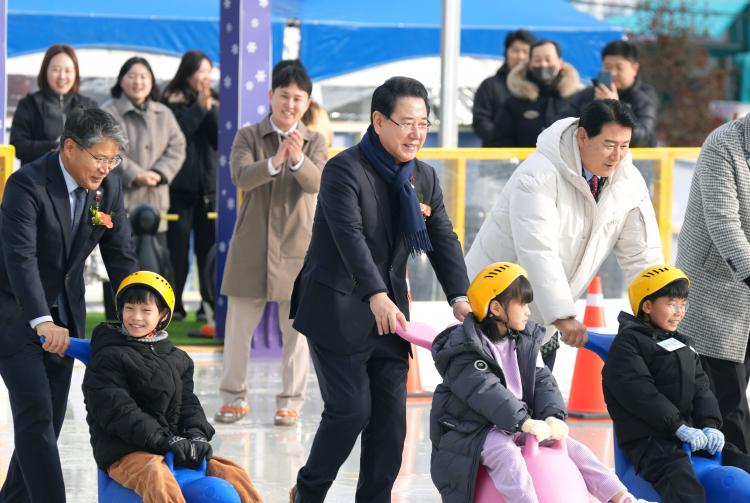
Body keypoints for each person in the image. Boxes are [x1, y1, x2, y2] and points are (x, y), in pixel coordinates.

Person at [289, 76, 471, 503]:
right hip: (337, 306)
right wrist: (375, 294)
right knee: (350, 412)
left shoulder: (423, 177)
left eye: (423, 124)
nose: (416, 133)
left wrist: (460, 297)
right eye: (407, 122)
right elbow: (348, 237)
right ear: (378, 121)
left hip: (391, 316)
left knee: (391, 424)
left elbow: (443, 237)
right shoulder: (344, 169)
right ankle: (307, 493)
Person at [0, 108, 138, 502]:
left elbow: (121, 256)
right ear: (70, 147)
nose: (106, 168)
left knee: (49, 423)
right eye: (100, 158)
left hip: (67, 315)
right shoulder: (26, 184)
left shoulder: (108, 189)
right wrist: (41, 320)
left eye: (114, 159)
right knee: (36, 417)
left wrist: (141, 310)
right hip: (16, 312)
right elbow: (21, 260)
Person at [465, 99, 663, 369]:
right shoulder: (538, 175)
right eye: (609, 145)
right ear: (582, 136)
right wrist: (562, 315)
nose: (617, 156)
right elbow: (538, 250)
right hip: (492, 309)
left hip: (544, 317)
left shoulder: (628, 182)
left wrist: (658, 307)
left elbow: (641, 254)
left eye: (624, 146)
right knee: (491, 392)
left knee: (538, 392)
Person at [430, 262, 650, 503]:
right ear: (496, 308)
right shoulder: (465, 349)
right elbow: (485, 391)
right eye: (522, 304)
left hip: (518, 423)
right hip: (474, 429)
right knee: (506, 455)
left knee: (575, 449)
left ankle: (622, 498)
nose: (528, 311)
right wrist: (522, 420)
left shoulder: (524, 342)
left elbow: (543, 380)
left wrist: (552, 415)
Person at [82, 271, 262, 503]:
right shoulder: (108, 357)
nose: (136, 317)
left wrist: (196, 435)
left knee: (232, 473)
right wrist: (163, 441)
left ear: (163, 314)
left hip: (175, 447)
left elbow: (188, 403)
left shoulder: (177, 358)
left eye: (146, 310)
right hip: (125, 451)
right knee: (157, 476)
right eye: (129, 308)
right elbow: (119, 411)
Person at [216, 61, 327, 427]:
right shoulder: (248, 135)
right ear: (270, 96)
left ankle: (291, 401)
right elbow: (241, 176)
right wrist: (275, 161)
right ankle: (233, 397)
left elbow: (316, 183)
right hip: (251, 248)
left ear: (307, 102)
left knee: (296, 334)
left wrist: (296, 160)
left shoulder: (315, 141)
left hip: (298, 248)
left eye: (297, 98)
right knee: (237, 332)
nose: (290, 104)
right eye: (284, 96)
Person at [603, 265, 750, 503]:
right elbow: (640, 394)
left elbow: (702, 390)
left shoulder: (683, 343)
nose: (679, 312)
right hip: (651, 440)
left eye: (683, 304)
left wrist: (710, 425)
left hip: (691, 434)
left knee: (742, 462)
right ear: (647, 306)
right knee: (683, 483)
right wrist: (678, 427)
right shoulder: (628, 345)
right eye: (672, 304)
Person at [676, 113, 750, 454]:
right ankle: (735, 477)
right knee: (726, 403)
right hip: (716, 295)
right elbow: (724, 224)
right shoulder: (724, 144)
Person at [102, 56, 186, 248]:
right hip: (121, 203)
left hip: (156, 203)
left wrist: (159, 173)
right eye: (132, 76)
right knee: (121, 259)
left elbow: (178, 146)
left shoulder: (164, 114)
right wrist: (135, 174)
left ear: (152, 81)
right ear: (121, 80)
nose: (138, 82)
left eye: (143, 76)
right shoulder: (108, 112)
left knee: (155, 260)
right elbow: (104, 149)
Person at [162, 50, 219, 322]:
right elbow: (177, 135)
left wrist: (209, 109)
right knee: (177, 251)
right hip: (179, 190)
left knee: (208, 250)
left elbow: (220, 139)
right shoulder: (170, 100)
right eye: (199, 71)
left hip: (209, 190)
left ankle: (208, 304)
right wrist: (199, 108)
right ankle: (174, 304)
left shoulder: (216, 100)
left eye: (208, 71)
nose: (204, 77)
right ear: (187, 73)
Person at [10, 44, 98, 165]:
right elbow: (17, 145)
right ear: (45, 71)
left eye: (68, 70)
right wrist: (54, 147)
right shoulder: (29, 104)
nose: (62, 76)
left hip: (77, 175)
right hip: (37, 175)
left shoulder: (89, 106)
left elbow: (99, 143)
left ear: (76, 73)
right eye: (56, 69)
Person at [560, 40, 658, 147]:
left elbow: (642, 139)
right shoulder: (587, 95)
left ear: (635, 68)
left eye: (619, 68)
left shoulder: (644, 97)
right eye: (608, 67)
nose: (613, 73)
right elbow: (562, 125)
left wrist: (616, 107)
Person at [494, 39, 582, 147]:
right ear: (530, 64)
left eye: (548, 59)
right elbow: (499, 141)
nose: (543, 64)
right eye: (537, 60)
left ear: (560, 63)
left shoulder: (576, 99)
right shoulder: (514, 103)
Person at [472, 29, 535, 147]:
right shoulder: (490, 86)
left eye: (525, 51)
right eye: (515, 51)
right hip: (498, 154)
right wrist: (501, 140)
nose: (520, 56)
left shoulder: (539, 86)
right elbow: (480, 122)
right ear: (506, 52)